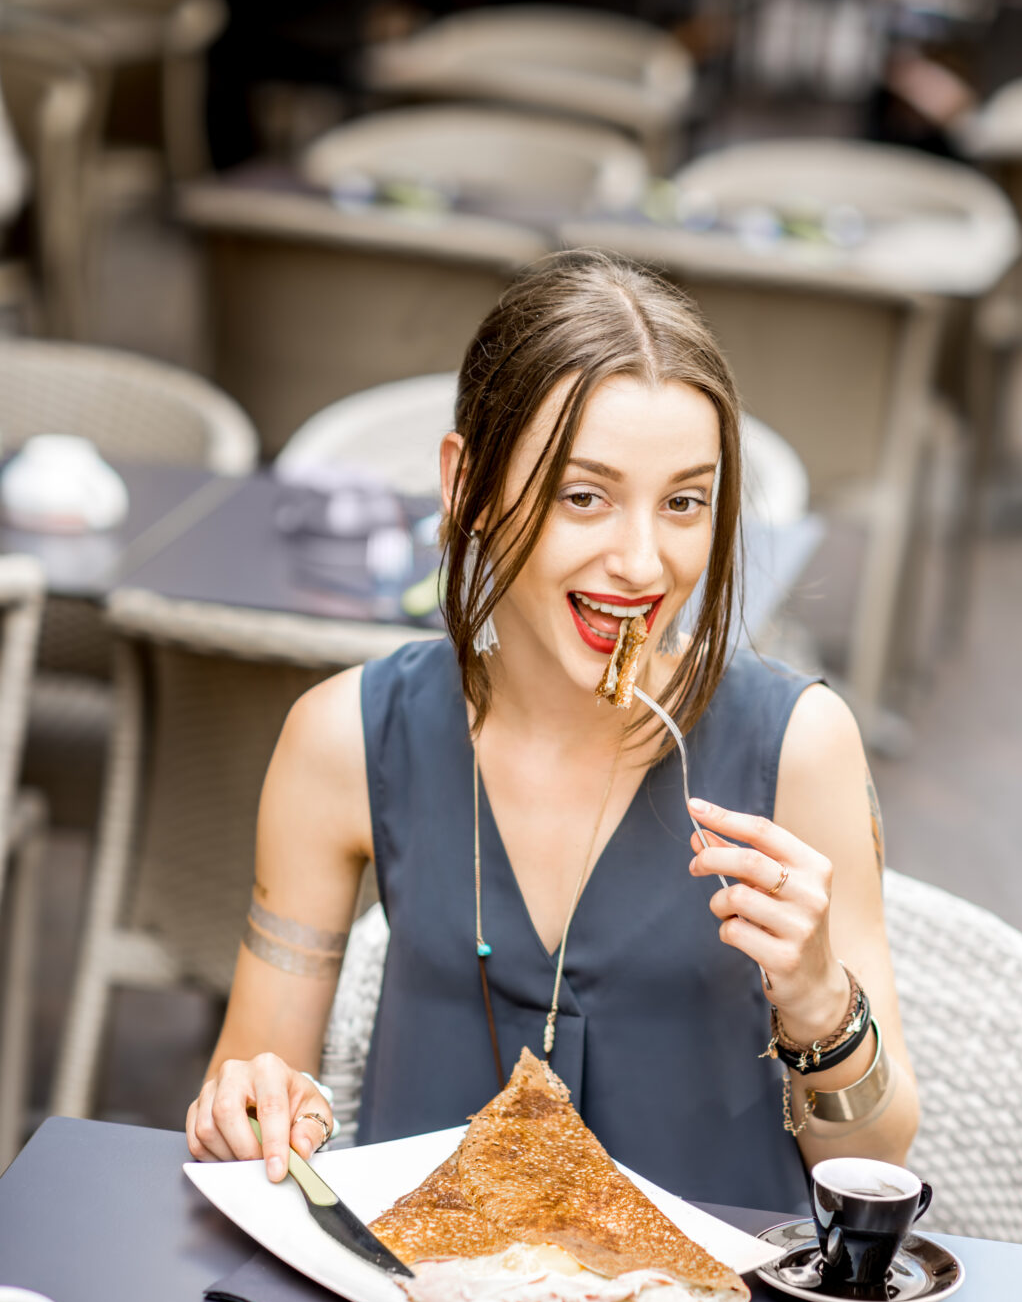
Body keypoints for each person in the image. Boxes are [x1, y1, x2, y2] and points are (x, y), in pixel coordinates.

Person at [186, 251, 918, 1210]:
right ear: (466, 487)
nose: (642, 561)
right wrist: (255, 1110)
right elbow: (253, 1093)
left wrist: (820, 1000)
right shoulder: (341, 740)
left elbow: (872, 1162)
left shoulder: (799, 744)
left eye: (685, 503)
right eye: (585, 496)